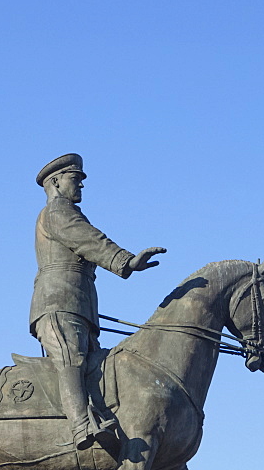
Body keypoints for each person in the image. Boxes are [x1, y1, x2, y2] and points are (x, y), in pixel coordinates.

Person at [30, 153, 166, 450]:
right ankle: (81, 427)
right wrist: (126, 261)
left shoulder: (65, 211)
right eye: (74, 178)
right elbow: (90, 240)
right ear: (55, 182)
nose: (80, 184)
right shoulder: (57, 212)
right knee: (72, 359)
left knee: (94, 367)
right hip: (58, 303)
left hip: (78, 306)